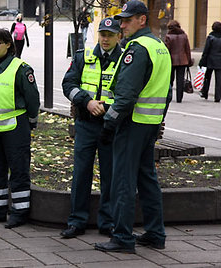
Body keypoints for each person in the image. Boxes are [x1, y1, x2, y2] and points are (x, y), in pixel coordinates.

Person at [94, 0, 171, 254]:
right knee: (147, 177)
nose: (122, 25)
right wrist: (159, 120)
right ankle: (155, 233)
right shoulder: (159, 46)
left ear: (142, 20)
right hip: (149, 124)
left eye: (127, 20)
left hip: (132, 123)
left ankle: (123, 237)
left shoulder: (136, 49)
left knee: (123, 181)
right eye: (122, 20)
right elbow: (166, 92)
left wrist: (108, 124)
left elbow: (125, 97)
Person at [60, 17, 122, 239]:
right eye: (102, 35)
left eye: (110, 35)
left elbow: (127, 93)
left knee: (110, 174)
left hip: (111, 125)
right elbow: (68, 84)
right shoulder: (83, 57)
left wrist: (106, 107)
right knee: (81, 173)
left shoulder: (125, 59)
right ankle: (77, 221)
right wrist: (86, 102)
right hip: (86, 124)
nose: (105, 39)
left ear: (118, 36)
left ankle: (108, 222)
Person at [0, 28, 40, 229]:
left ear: (8, 45)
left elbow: (32, 99)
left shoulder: (21, 68)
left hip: (15, 126)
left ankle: (20, 212)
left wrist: (32, 120)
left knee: (19, 169)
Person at [164, 20, 192, 103]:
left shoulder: (168, 36)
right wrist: (189, 60)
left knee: (170, 79)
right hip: (183, 61)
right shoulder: (184, 36)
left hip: (171, 61)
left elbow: (167, 50)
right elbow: (187, 49)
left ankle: (169, 96)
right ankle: (179, 98)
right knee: (180, 80)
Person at [199, 21, 221, 102]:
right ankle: (217, 96)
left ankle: (205, 92)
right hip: (219, 61)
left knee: (207, 77)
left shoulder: (210, 37)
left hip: (210, 60)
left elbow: (206, 50)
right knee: (219, 80)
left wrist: (202, 61)